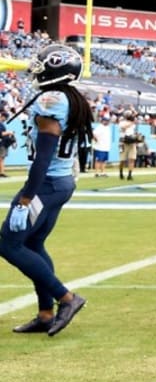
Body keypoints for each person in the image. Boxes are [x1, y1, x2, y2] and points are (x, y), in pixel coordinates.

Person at [0, 44, 90, 336]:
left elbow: (43, 157)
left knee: (8, 244)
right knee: (34, 244)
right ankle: (45, 314)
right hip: (61, 183)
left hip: (46, 184)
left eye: (42, 65)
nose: (36, 69)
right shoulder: (68, 97)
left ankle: (66, 298)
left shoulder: (52, 100)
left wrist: (26, 198)